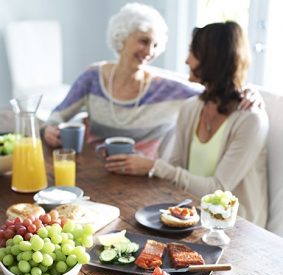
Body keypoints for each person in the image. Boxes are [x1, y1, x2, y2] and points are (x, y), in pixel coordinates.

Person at [105, 21, 269, 228]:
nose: (186, 60)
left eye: (193, 52)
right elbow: (175, 169)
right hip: (192, 217)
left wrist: (155, 166)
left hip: (237, 228)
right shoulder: (192, 108)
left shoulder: (250, 119)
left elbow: (218, 189)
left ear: (212, 58)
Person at [43, 3, 259, 159]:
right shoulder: (93, 77)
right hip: (92, 171)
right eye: (144, 42)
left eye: (156, 45)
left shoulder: (167, 88)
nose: (150, 52)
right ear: (122, 37)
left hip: (143, 181)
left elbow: (215, 88)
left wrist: (248, 92)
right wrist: (48, 129)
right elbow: (56, 115)